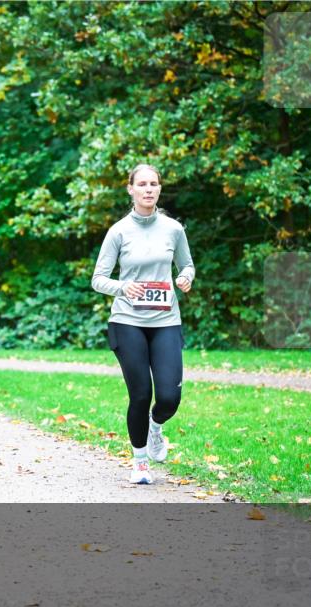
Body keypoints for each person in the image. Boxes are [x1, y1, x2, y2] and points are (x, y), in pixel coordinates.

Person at [91, 164, 195, 485]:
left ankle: (156, 427)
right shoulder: (119, 231)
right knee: (140, 394)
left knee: (168, 398)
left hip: (165, 321)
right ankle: (139, 463)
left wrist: (184, 277)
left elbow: (187, 264)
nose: (148, 189)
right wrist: (123, 287)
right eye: (142, 184)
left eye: (154, 184)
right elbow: (98, 279)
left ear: (159, 189)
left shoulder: (173, 229)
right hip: (127, 321)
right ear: (131, 189)